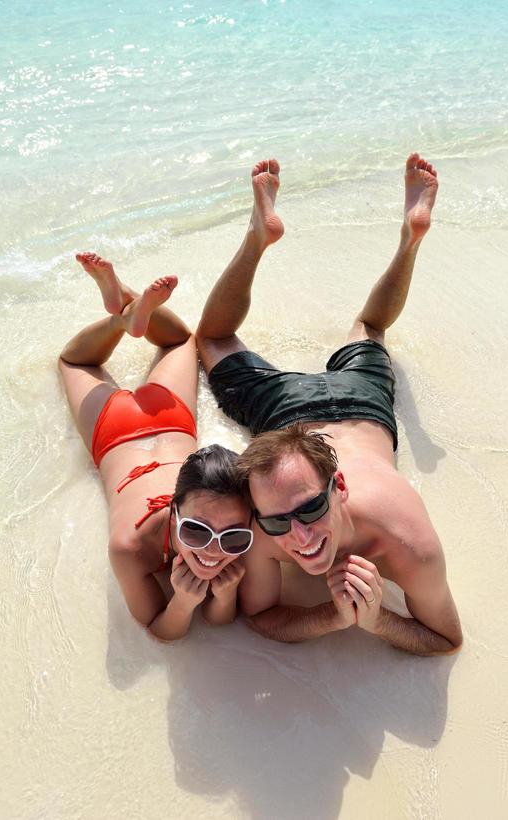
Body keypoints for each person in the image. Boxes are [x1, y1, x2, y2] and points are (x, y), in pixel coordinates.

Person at [196, 156, 462, 655]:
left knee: (214, 337)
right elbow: (262, 618)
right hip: (330, 410)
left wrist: (377, 620)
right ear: (259, 514)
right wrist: (335, 618)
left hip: (316, 409)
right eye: (278, 522)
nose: (298, 536)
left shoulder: (404, 539)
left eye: (311, 508)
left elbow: (449, 640)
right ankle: (407, 238)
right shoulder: (266, 522)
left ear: (338, 486)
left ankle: (266, 236)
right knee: (368, 329)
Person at [59, 253, 252, 641]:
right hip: (117, 433)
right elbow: (163, 632)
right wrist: (181, 602)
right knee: (73, 362)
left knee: (178, 342)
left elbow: (217, 620)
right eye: (196, 531)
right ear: (174, 509)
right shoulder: (129, 546)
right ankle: (124, 312)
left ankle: (123, 314)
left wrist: (225, 590)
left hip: (163, 421)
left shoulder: (237, 533)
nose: (215, 551)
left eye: (233, 536)